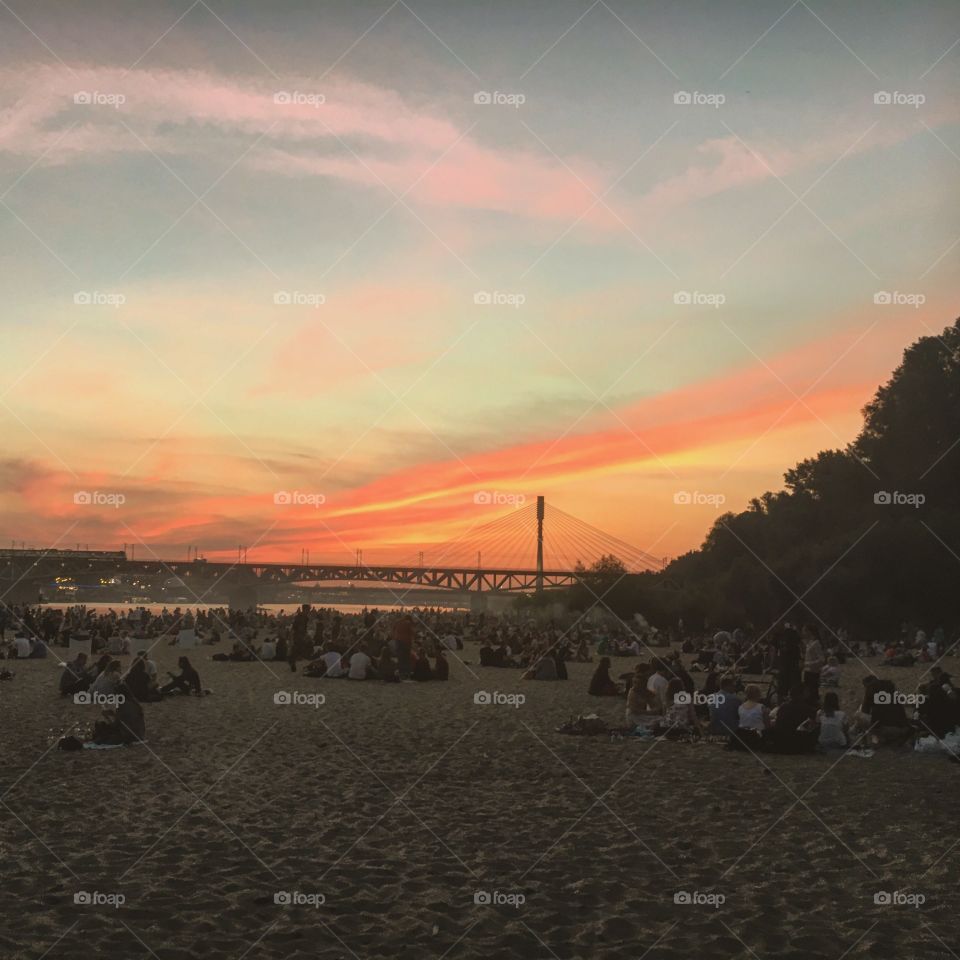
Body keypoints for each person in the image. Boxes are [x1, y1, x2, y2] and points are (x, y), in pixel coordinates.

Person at [771, 686, 818, 754]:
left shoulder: (783, 707)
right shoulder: (808, 710)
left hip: (781, 742)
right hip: (798, 744)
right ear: (801, 695)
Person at [729, 684, 770, 751]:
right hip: (757, 735)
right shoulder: (761, 707)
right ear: (758, 694)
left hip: (743, 734)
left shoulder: (741, 707)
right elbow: (767, 725)